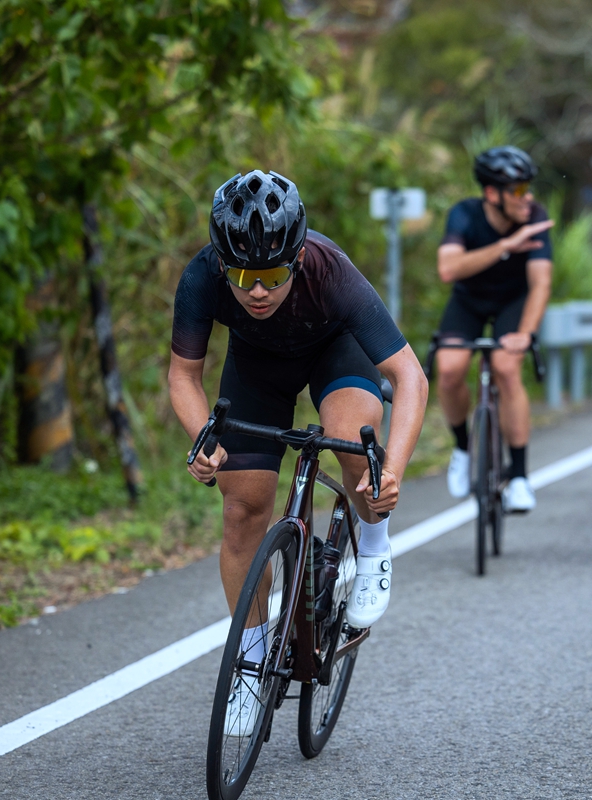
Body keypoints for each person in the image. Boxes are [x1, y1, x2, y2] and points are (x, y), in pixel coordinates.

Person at [169, 171, 429, 733]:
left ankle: (376, 546)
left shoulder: (332, 274)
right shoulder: (201, 277)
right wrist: (202, 437)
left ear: (297, 258)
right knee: (242, 509)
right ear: (221, 263)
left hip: (336, 355)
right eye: (241, 276)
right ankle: (253, 659)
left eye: (270, 275)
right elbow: (183, 376)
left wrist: (395, 471)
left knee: (352, 444)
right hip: (257, 368)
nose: (256, 291)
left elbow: (410, 377)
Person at [435, 146, 553, 512]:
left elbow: (540, 284)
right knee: (450, 369)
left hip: (513, 303)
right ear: (492, 193)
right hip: (469, 299)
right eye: (518, 190)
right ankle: (462, 448)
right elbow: (448, 269)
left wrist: (526, 334)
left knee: (505, 367)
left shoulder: (536, 217)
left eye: (528, 188)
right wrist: (505, 246)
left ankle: (518, 475)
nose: (527, 198)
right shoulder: (465, 215)